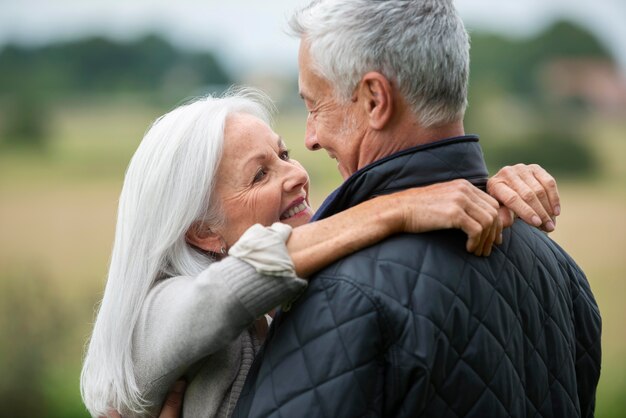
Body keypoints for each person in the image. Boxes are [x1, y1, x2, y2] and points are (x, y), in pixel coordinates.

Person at [80, 88, 561, 418]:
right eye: (259, 175)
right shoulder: (153, 315)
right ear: (202, 232)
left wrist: (489, 191)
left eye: (284, 155)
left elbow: (337, 233)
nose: (296, 174)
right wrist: (400, 208)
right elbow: (229, 289)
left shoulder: (276, 296)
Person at [232, 1, 602, 417]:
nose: (311, 137)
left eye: (315, 105)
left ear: (375, 100)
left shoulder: (343, 290)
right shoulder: (561, 269)